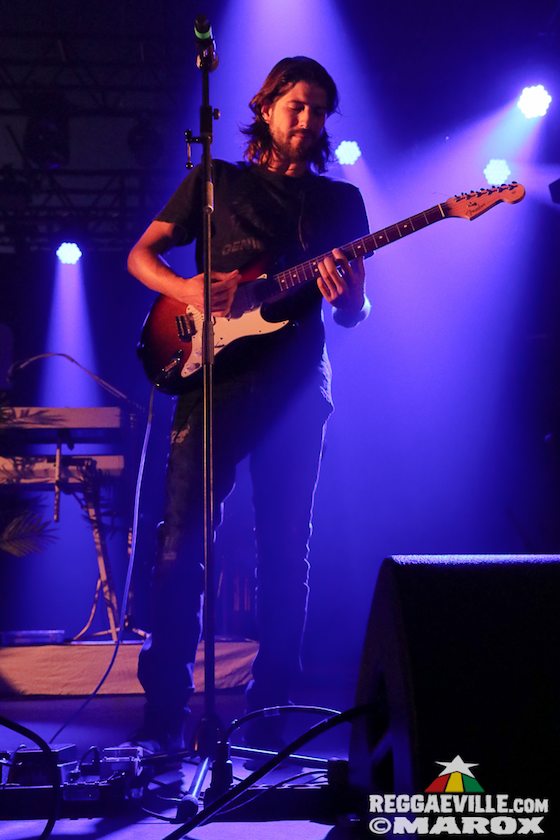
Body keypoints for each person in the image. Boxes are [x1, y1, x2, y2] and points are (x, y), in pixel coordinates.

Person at [127, 56, 370, 753]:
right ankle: (164, 714)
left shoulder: (340, 204)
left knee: (286, 550)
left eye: (321, 109)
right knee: (181, 543)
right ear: (265, 107)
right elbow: (142, 256)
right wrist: (188, 291)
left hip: (297, 388)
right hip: (214, 380)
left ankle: (272, 711)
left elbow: (355, 314)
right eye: (297, 104)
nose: (309, 120)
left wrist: (349, 298)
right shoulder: (216, 183)